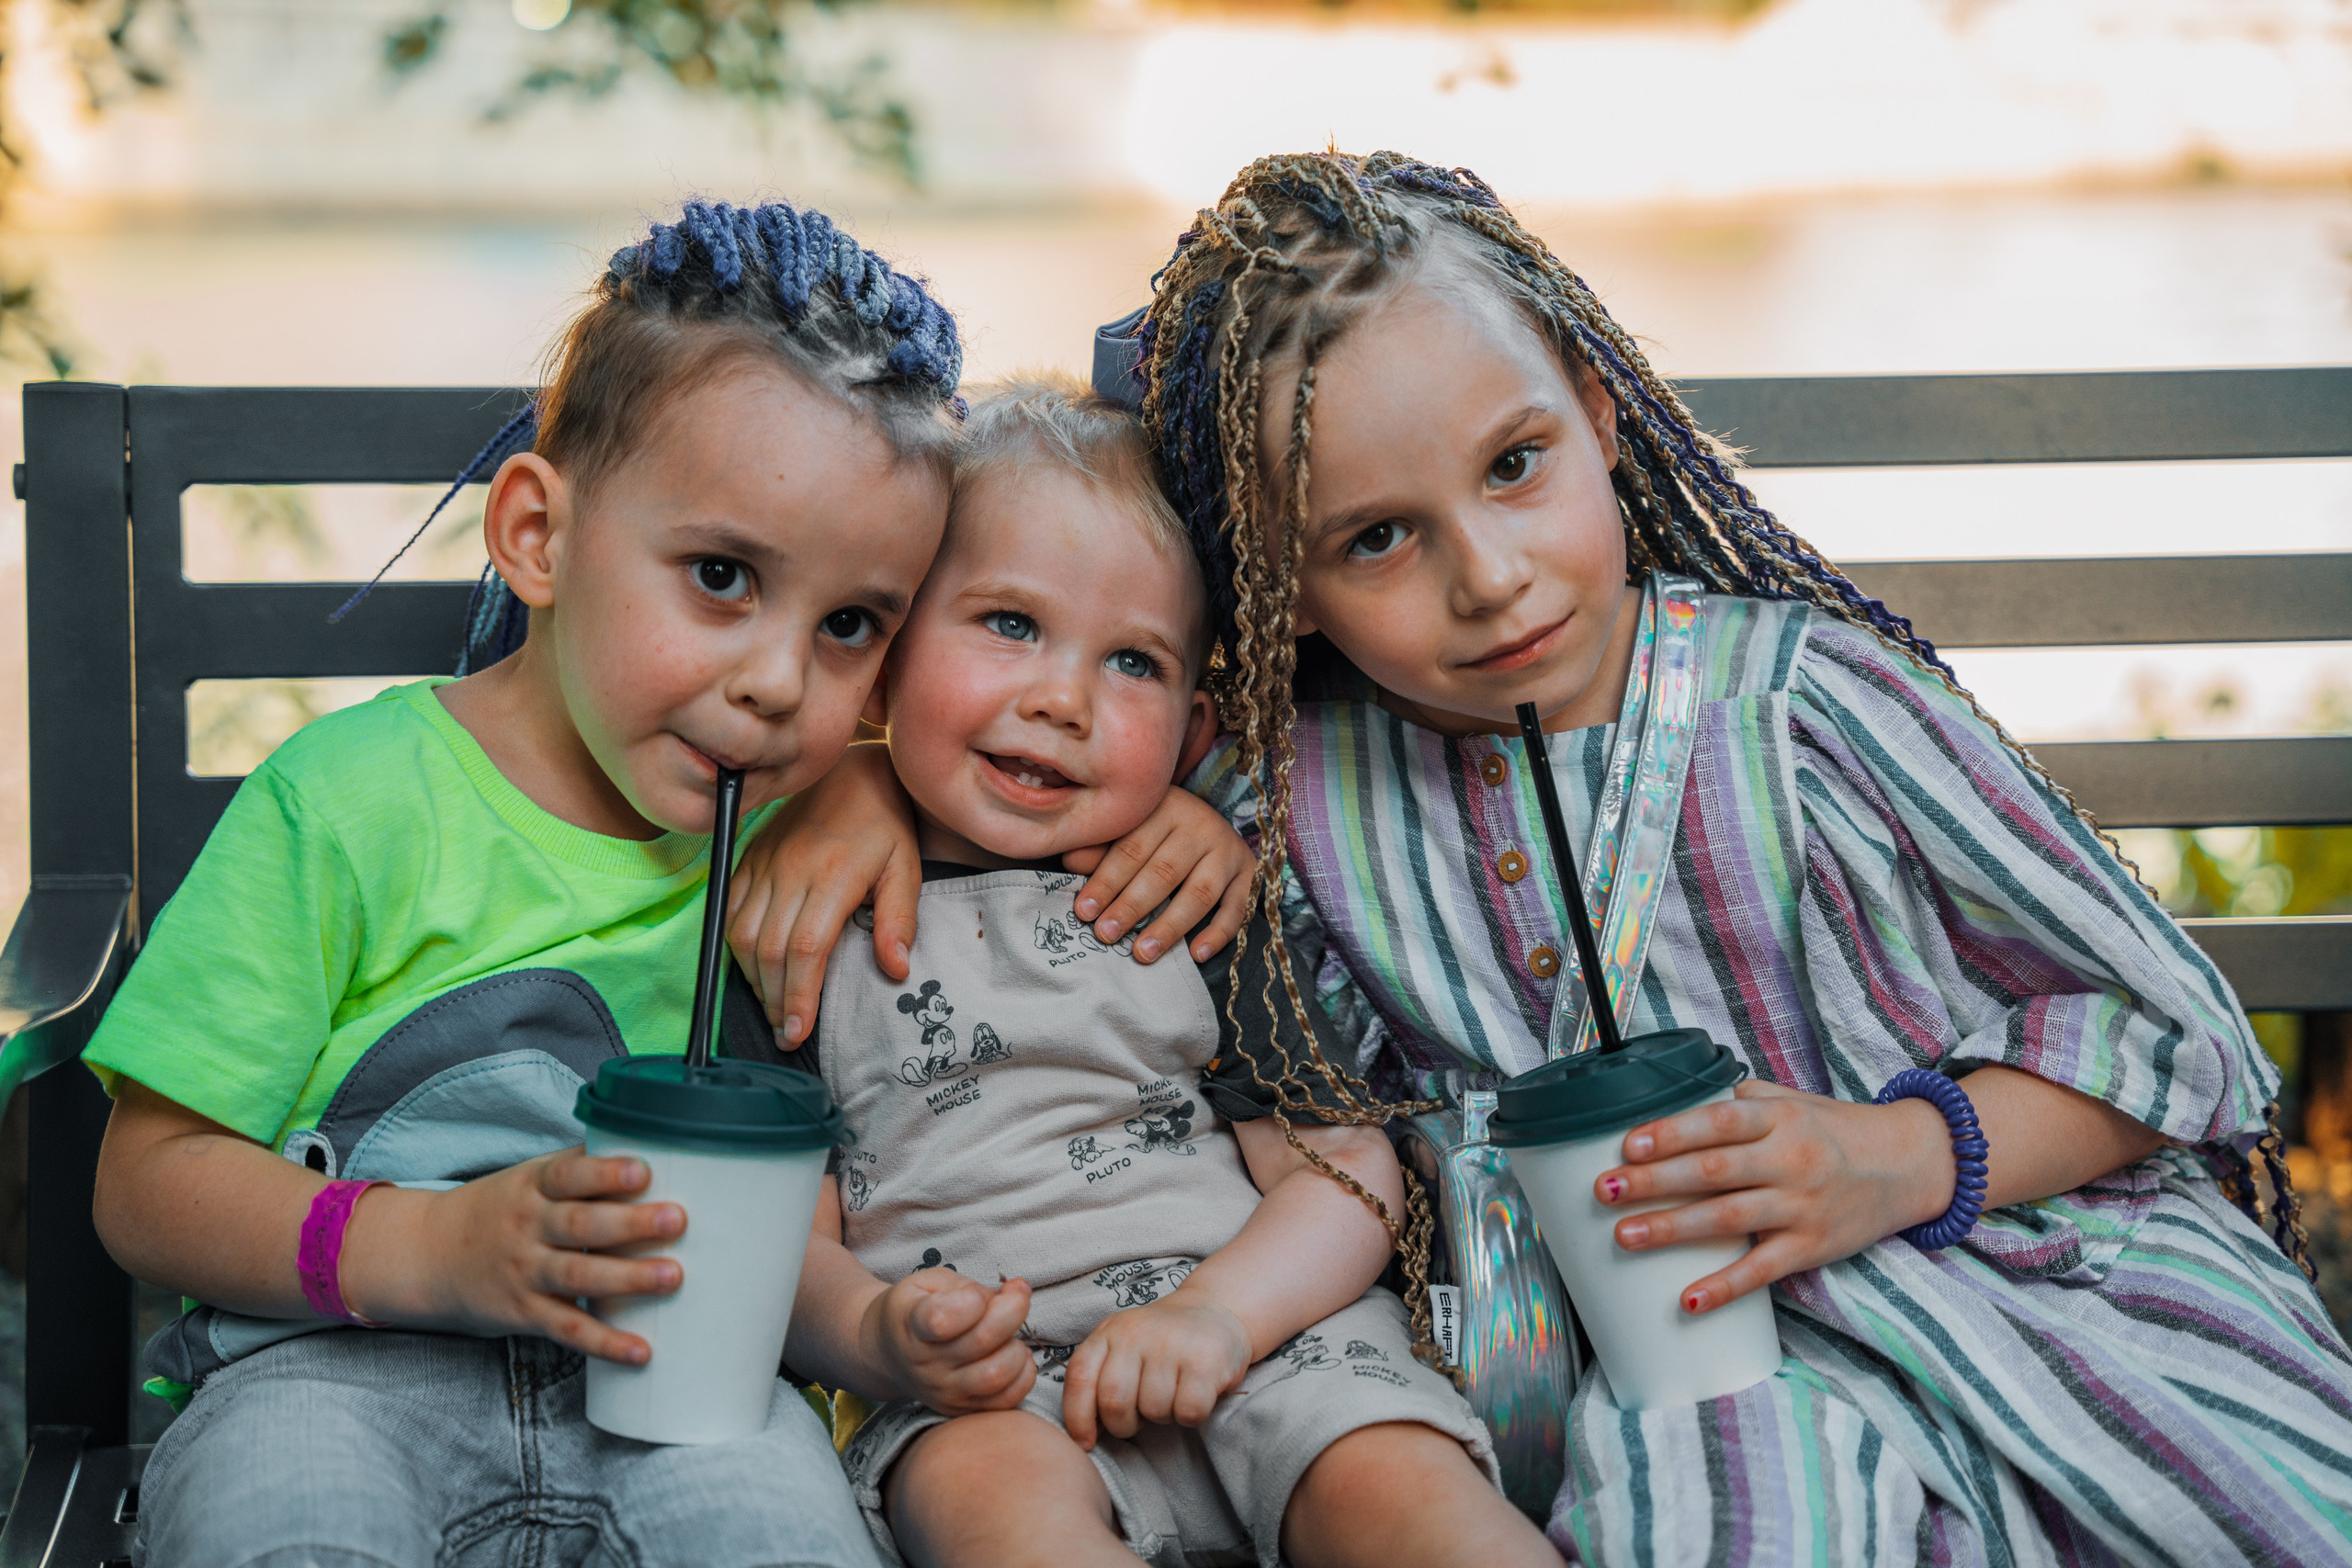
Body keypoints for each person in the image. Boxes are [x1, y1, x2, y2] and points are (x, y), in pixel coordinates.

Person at [729, 154, 2352, 1566]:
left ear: (1597, 407)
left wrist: (1896, 1158)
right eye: (1378, 537)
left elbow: (2174, 1034)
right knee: (1732, 1500)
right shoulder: (1290, 783)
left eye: (1516, 466)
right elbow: (1028, 756)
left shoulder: (1804, 705)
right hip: (1665, 1364)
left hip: (2025, 1280)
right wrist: (861, 784)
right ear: (1282, 594)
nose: (1491, 578)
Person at [83, 199, 964, 1568]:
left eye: (852, 625)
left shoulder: (798, 841)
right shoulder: (348, 806)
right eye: (722, 577)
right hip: (326, 1377)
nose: (785, 684)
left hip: (691, 1401)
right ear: (539, 538)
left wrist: (877, 783)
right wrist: (425, 1251)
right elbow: (146, 1182)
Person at [778, 376, 1556, 1568]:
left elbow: (1345, 1170)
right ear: (882, 663)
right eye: (1009, 625)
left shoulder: (1187, 897)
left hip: (1260, 1328)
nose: (1062, 699)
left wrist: (1215, 1316)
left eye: (1132, 663)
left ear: (1197, 735)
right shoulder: (804, 914)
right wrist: (877, 1338)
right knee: (992, 1510)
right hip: (982, 1382)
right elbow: (779, 1244)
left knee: (1399, 1490)